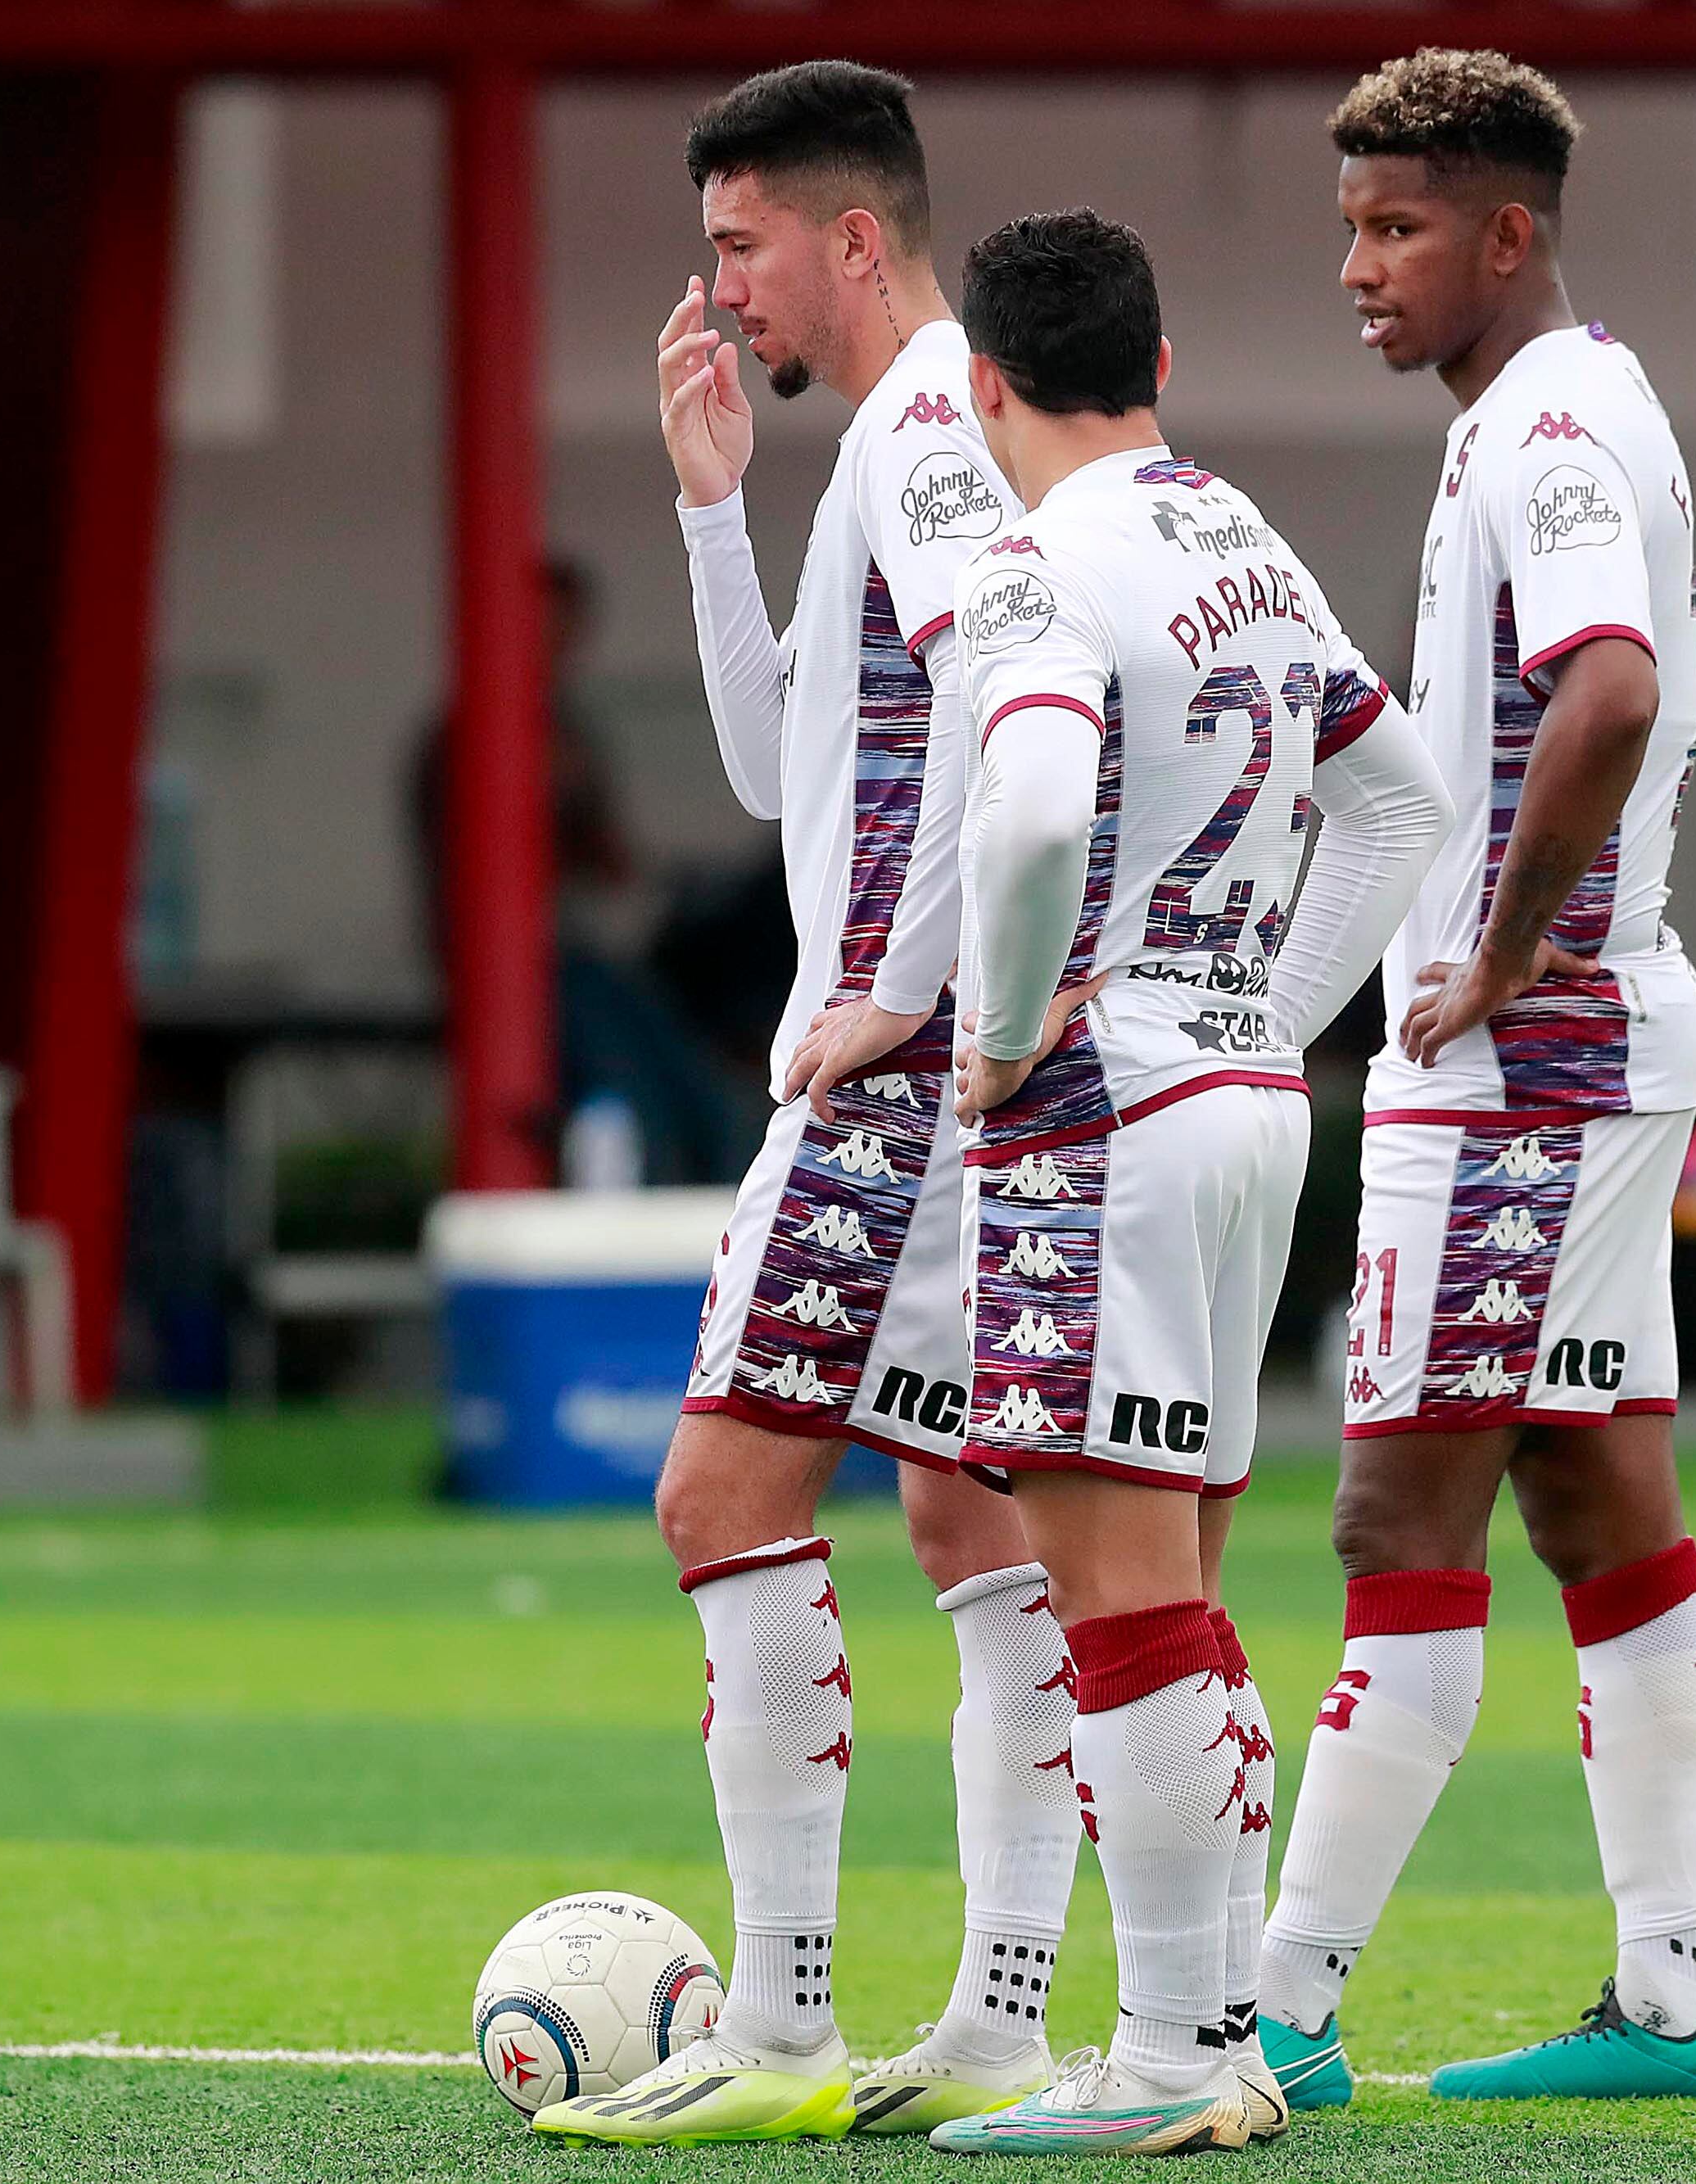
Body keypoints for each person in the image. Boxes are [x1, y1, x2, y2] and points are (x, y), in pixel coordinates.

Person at [532, 62, 1072, 2146]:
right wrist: (704, 509)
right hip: (963, 1066)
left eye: (741, 246)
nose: (719, 290)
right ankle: (1004, 2018)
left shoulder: (931, 426)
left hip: (898, 1076)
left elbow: (1024, 726)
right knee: (967, 1521)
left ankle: (775, 2026)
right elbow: (789, 772)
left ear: (857, 238)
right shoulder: (905, 442)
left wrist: (906, 998)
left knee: (718, 1497)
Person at [1254, 49, 1696, 2109]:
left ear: (1507, 229)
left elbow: (1610, 687)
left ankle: (1268, 2004)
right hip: (1580, 1048)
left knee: (1397, 1508)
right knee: (1591, 1494)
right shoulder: (1560, 404)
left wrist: (1507, 940)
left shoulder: (1545, 425)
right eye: (1351, 227)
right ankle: (1670, 2003)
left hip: (1525, 1064)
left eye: (1396, 228)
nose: (1359, 269)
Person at [925, 209, 1450, 2156]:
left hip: (1105, 1106)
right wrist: (1271, 1018)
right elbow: (1399, 796)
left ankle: (1155, 2060)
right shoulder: (1234, 532)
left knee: (1113, 1590)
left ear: (985, 385)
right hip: (1240, 1105)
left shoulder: (1032, 562)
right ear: (1158, 366)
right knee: (1190, 1580)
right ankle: (1212, 2034)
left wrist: (999, 1036)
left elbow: (1044, 797)